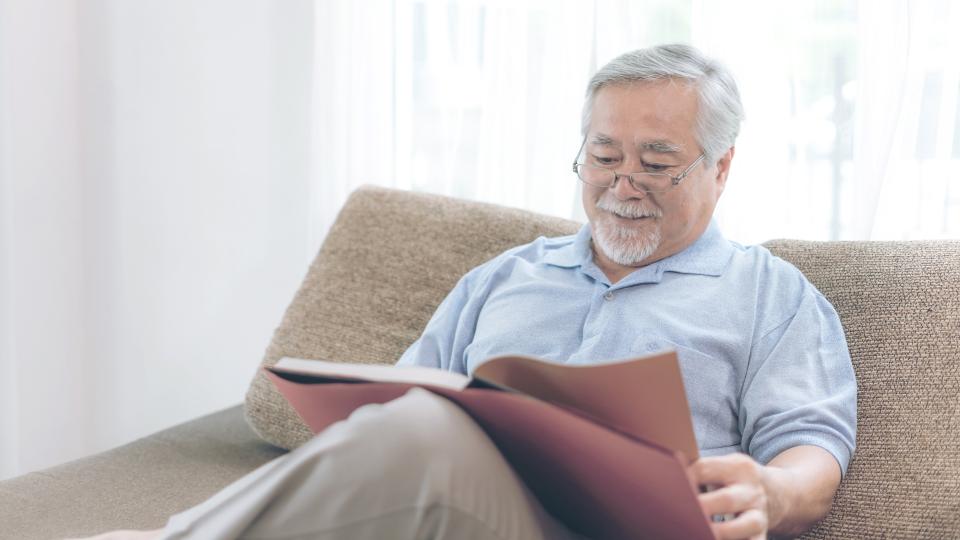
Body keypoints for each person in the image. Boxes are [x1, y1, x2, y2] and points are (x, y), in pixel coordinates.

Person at [80, 43, 856, 540]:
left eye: (657, 162)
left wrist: (774, 492)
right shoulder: (507, 276)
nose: (624, 183)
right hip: (466, 513)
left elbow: (813, 449)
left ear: (721, 168)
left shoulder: (769, 294)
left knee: (428, 433)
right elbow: (403, 406)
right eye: (603, 154)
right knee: (422, 425)